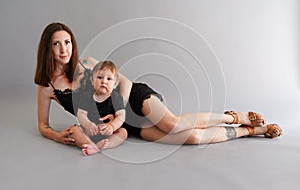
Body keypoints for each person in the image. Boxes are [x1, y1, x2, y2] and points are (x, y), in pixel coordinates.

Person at [34, 22, 282, 150]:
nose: (64, 48)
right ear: (48, 48)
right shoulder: (48, 88)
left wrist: (117, 115)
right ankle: (250, 131)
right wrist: (57, 136)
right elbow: (43, 125)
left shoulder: (87, 64)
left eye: (67, 42)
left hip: (133, 99)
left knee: (173, 123)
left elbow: (124, 82)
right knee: (193, 138)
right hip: (125, 125)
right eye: (57, 44)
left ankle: (234, 116)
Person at [77, 61, 127, 156]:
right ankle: (90, 144)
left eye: (109, 79)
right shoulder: (86, 96)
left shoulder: (116, 98)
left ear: (115, 84)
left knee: (123, 132)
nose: (104, 81)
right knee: (75, 130)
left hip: (107, 131)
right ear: (92, 80)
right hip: (89, 130)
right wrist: (88, 124)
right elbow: (81, 114)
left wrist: (112, 126)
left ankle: (105, 145)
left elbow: (121, 116)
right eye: (99, 77)